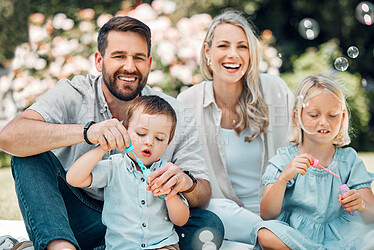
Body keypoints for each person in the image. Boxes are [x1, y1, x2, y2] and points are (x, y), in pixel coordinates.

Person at [0, 16, 223, 250]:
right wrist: (87, 132)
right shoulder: (74, 93)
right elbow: (10, 136)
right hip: (77, 216)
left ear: (148, 63)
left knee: (209, 226)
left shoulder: (174, 113)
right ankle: (60, 246)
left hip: (144, 222)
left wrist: (184, 182)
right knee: (27, 156)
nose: (129, 66)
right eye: (119, 56)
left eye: (138, 58)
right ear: (99, 61)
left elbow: (203, 192)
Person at [177, 10, 293, 245]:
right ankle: (275, 238)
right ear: (208, 52)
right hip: (226, 215)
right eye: (223, 46)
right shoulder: (187, 103)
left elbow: (302, 145)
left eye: (242, 47)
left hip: (277, 209)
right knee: (212, 208)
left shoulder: (275, 91)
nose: (233, 54)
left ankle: (274, 236)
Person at [255, 75, 374, 249]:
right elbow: (267, 214)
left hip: (340, 234)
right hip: (296, 234)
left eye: (332, 115)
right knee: (265, 233)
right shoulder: (285, 159)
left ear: (342, 117)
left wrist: (362, 204)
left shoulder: (348, 160)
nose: (324, 122)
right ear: (297, 117)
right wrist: (283, 178)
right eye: (314, 114)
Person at [67, 95, 189, 249]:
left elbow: (181, 220)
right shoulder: (114, 167)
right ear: (124, 132)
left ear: (167, 143)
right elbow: (73, 178)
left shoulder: (167, 173)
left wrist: (170, 196)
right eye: (141, 134)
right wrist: (103, 146)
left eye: (159, 138)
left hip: (162, 245)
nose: (149, 142)